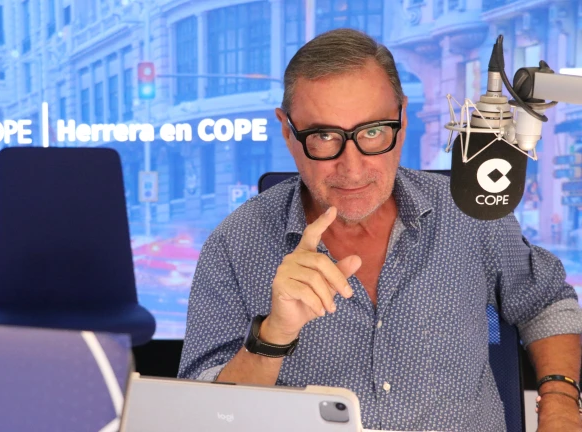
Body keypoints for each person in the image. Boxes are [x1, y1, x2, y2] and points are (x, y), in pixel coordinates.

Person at [177, 29, 582, 431]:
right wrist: (272, 337)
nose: (353, 169)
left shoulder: (468, 213)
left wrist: (561, 402)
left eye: (373, 132)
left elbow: (545, 302)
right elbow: (201, 418)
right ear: (287, 131)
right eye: (323, 136)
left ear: (402, 120)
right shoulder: (234, 244)